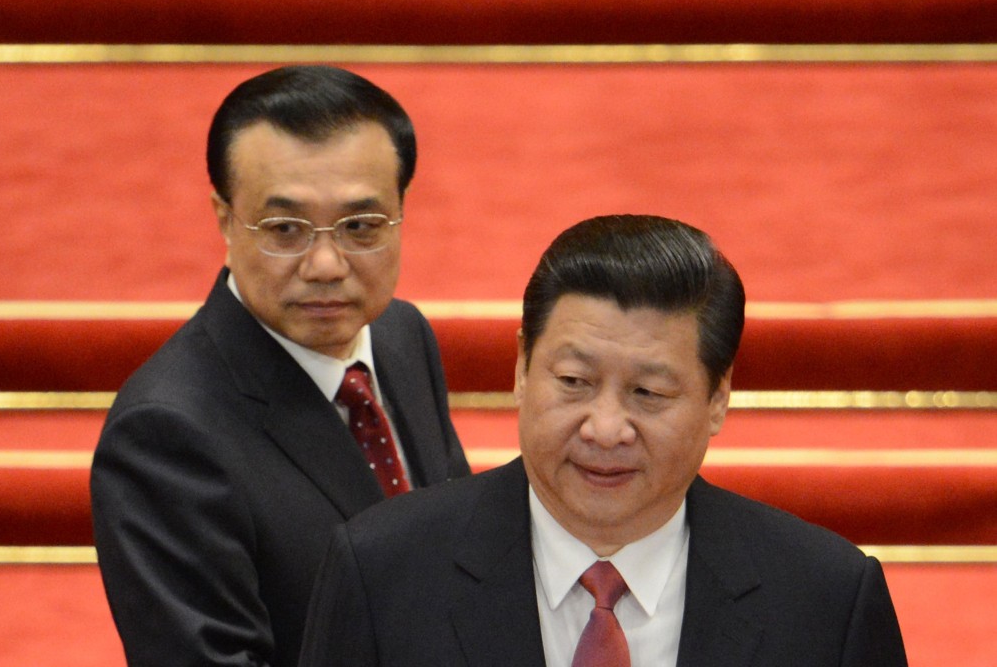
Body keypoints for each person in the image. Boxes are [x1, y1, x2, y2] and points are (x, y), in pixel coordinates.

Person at [297, 214, 908, 666]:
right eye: (573, 382)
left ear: (718, 398)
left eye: (648, 393)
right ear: (520, 369)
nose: (605, 428)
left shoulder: (826, 601)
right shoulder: (383, 573)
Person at [90, 65, 470, 667]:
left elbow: (454, 545)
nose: (325, 264)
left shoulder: (401, 336)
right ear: (224, 219)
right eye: (285, 228)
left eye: (361, 227)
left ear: (402, 212)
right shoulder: (165, 434)